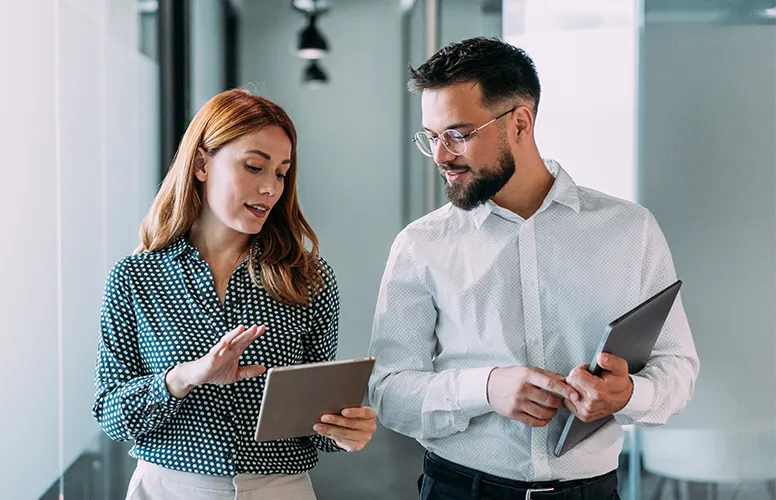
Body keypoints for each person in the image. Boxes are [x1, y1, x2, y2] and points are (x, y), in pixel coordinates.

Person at [368, 37, 699, 500]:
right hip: (461, 491)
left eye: (458, 134)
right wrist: (485, 388)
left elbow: (678, 366)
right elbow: (389, 392)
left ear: (520, 123)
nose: (441, 156)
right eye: (432, 137)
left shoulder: (629, 230)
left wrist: (626, 397)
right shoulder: (420, 245)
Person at [93, 89, 377, 500]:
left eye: (280, 172)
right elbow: (111, 415)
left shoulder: (308, 279)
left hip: (280, 490)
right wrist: (185, 377)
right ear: (202, 164)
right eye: (254, 167)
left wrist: (345, 431)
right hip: (167, 489)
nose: (270, 189)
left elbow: (317, 427)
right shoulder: (135, 277)